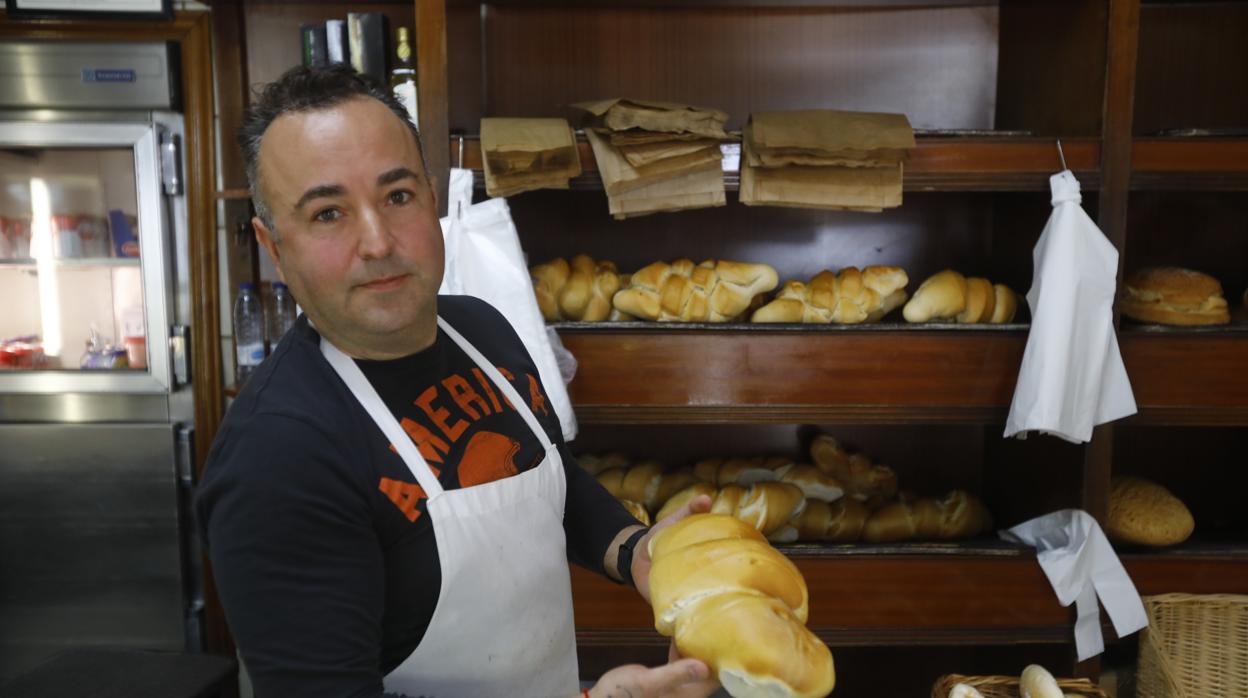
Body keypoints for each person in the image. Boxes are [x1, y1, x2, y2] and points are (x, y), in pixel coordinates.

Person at [195, 64, 719, 698]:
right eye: (328, 212)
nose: (378, 241)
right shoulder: (276, 458)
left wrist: (633, 549)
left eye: (397, 195)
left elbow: (547, 476)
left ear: (431, 199)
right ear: (274, 247)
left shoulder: (481, 330)